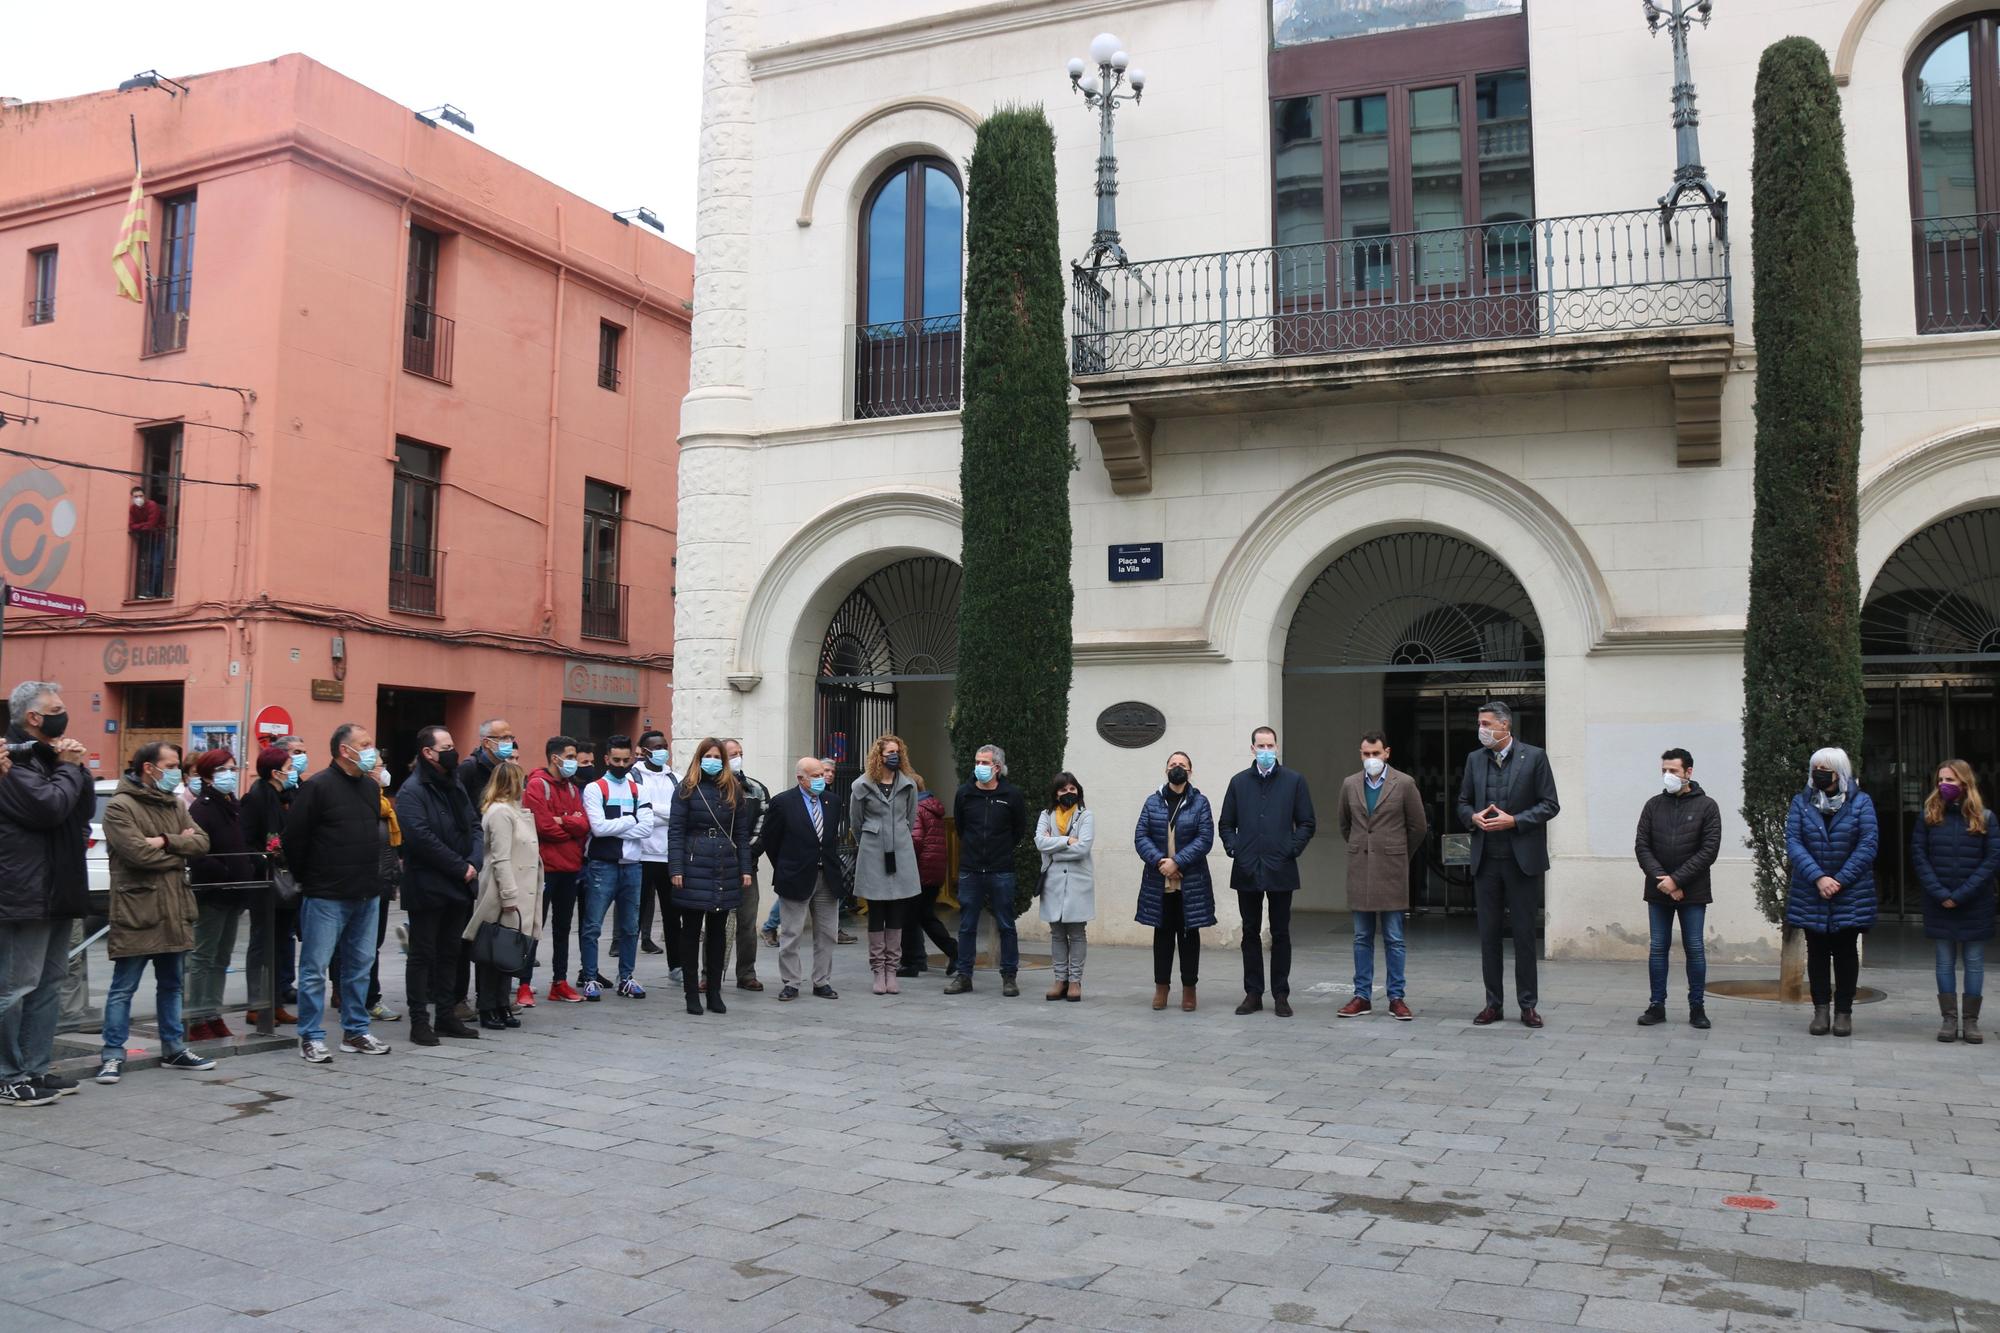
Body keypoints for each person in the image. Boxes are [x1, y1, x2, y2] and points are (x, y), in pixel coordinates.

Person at [96, 743, 214, 1083]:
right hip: (138, 910)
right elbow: (136, 855)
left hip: (175, 907)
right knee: (123, 987)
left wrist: (163, 840)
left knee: (172, 985)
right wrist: (180, 847)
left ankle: (173, 1047)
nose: (178, 770)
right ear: (150, 768)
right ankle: (112, 1054)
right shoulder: (121, 806)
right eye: (172, 764)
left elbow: (203, 843)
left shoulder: (175, 804)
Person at [0, 682, 92, 1106]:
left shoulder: (51, 759)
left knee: (49, 984)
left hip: (58, 888)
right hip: (24, 890)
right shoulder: (10, 763)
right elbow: (49, 808)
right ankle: (7, 1074)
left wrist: (77, 768)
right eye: (56, 708)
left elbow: (82, 808)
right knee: (15, 987)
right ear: (33, 718)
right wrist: (70, 769)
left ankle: (35, 1068)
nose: (63, 714)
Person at [284, 725, 394, 1062]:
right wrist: (311, 879)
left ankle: (356, 1030)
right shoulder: (317, 787)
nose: (372, 751)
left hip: (366, 892)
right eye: (365, 745)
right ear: (345, 751)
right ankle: (311, 1036)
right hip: (326, 895)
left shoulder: (367, 787)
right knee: (315, 969)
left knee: (360, 966)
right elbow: (294, 841)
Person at [1456, 701, 1560, 1029]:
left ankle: (1528, 1005)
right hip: (1486, 861)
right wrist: (1471, 817)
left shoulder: (1535, 757)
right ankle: (1493, 1004)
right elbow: (1462, 802)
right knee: (1488, 937)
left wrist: (1515, 821)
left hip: (1521, 862)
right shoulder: (1475, 759)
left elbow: (1550, 804)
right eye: (1479, 723)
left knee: (1524, 936)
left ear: (1505, 726)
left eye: (1486, 723)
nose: (1481, 729)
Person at [1219, 726, 1317, 1018]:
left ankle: (1281, 993)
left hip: (1281, 868)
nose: (1265, 751)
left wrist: (1291, 848)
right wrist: (1235, 847)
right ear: (1252, 749)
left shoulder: (1294, 781)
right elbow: (1226, 823)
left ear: (1277, 747)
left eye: (1270, 745)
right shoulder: (1238, 783)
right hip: (1247, 868)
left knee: (1281, 932)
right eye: (1260, 746)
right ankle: (1253, 992)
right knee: (1250, 932)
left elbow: (1307, 822)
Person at [396, 726, 484, 1044]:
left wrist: (475, 861)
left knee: (450, 952)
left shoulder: (455, 782)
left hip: (460, 884)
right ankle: (420, 1021)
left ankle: (446, 1015)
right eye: (445, 746)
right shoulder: (412, 790)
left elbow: (474, 824)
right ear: (428, 753)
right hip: (428, 885)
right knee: (422, 955)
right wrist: (461, 867)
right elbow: (421, 839)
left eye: (452, 744)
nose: (452, 750)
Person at [1785, 747, 1879, 1038]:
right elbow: (1794, 842)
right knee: (1817, 953)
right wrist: (1818, 878)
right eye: (1815, 767)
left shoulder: (1861, 803)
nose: (1819, 772)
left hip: (1849, 891)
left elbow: (1868, 844)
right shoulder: (1801, 803)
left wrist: (1838, 880)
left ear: (1840, 772)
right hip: (1811, 890)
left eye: (1825, 767)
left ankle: (1843, 1013)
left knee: (1845, 952)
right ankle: (1821, 1011)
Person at [1337, 732, 1429, 1021]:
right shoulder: (1350, 784)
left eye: (1375, 753)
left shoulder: (1404, 783)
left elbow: (1418, 826)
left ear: (1387, 752)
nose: (1371, 759)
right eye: (1366, 754)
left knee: (1394, 937)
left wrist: (1398, 854)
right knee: (1362, 936)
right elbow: (1345, 824)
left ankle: (1396, 997)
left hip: (1391, 870)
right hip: (1360, 868)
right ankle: (1361, 996)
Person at [1634, 747, 1723, 1031]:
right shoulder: (1653, 805)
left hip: (1693, 892)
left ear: (1688, 772)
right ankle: (1656, 1005)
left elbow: (1708, 851)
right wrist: (1664, 880)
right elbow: (1642, 846)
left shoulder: (1707, 806)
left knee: (1694, 948)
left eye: (1673, 771)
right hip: (1658, 890)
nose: (1668, 776)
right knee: (1658, 948)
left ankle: (1697, 1007)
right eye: (1664, 771)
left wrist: (1678, 881)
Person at [1913, 759, 1997, 1043]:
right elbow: (1919, 857)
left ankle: (1970, 1022)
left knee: (1973, 962)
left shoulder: (1985, 817)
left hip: (1974, 903)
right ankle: (1949, 1020)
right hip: (1939, 902)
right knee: (1944, 962)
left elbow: (1991, 861)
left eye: (1949, 780)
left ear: (1964, 782)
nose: (1943, 785)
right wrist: (1940, 893)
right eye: (1940, 780)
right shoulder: (1929, 816)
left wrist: (1961, 894)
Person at [669, 738, 753, 1014]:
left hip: (724, 865)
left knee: (718, 934)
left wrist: (745, 868)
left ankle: (715, 991)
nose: (713, 760)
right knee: (691, 932)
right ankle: (691, 993)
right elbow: (676, 832)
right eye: (709, 755)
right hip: (694, 864)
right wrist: (676, 868)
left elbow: (741, 834)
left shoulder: (733, 789)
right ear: (699, 758)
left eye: (718, 756)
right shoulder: (686, 788)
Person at [759, 758, 845, 1001]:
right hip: (795, 876)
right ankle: (791, 982)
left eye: (823, 774)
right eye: (816, 775)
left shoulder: (833, 801)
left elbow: (831, 839)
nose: (822, 778)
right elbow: (771, 839)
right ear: (801, 778)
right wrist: (786, 866)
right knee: (791, 933)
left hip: (827, 876)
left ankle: (822, 981)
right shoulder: (783, 802)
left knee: (827, 933)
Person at [466, 761, 542, 1031]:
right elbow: (500, 858)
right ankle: (488, 1006)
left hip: (520, 890)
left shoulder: (516, 811)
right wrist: (509, 894)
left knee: (508, 951)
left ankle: (501, 1003)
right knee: (494, 950)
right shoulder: (500, 812)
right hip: (502, 892)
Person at [185, 749, 255, 1042]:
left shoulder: (232, 804)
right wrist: (227, 872)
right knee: (203, 956)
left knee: (221, 957)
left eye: (232, 768)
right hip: (212, 893)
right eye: (223, 769)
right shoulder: (202, 808)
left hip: (234, 895)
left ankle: (213, 1012)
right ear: (208, 775)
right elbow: (198, 855)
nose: (230, 773)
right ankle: (195, 1016)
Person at [1137, 751, 1214, 1013]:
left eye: (1182, 765)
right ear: (1165, 770)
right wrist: (1162, 863)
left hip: (1190, 881)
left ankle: (1189, 989)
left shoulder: (1200, 802)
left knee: (1189, 936)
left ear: (1190, 772)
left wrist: (1178, 862)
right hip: (1160, 882)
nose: (1177, 768)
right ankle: (1162, 988)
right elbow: (1141, 837)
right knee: (1163, 936)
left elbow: (1205, 838)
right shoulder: (1152, 802)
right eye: (1173, 764)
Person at [847, 734, 923, 995]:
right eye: (889, 752)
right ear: (877, 756)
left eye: (898, 751)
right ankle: (878, 970)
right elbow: (855, 823)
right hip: (873, 852)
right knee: (876, 911)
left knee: (897, 911)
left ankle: (893, 969)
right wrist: (872, 837)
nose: (895, 755)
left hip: (900, 854)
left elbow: (910, 819)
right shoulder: (862, 786)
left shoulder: (909, 785)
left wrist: (898, 836)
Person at [949, 743, 1026, 996]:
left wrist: (1000, 850)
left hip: (1001, 869)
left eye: (985, 763)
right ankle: (964, 975)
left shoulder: (1011, 795)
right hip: (971, 869)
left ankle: (1009, 976)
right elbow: (961, 828)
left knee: (1006, 923)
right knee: (967, 925)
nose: (980, 767)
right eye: (977, 762)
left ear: (997, 767)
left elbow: (1018, 831)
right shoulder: (964, 794)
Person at [581, 736, 652, 1000]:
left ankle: (627, 978)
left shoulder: (638, 790)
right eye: (617, 760)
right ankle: (590, 977)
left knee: (631, 927)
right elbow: (598, 829)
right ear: (606, 759)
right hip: (603, 865)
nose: (622, 764)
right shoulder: (595, 789)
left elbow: (647, 828)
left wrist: (618, 824)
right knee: (592, 925)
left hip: (633, 865)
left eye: (626, 760)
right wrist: (630, 819)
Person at [526, 736, 589, 1003]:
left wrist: (562, 821)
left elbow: (584, 825)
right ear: (556, 758)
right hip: (545, 868)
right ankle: (523, 984)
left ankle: (559, 982)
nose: (574, 762)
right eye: (572, 756)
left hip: (570, 867)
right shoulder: (536, 786)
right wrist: (569, 825)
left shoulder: (573, 789)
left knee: (563, 928)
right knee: (534, 928)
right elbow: (541, 826)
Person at [241, 746, 296, 1027]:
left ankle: (275, 1003)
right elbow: (247, 840)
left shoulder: (287, 797)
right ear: (275, 772)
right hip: (263, 881)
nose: (294, 771)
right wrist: (266, 855)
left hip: (287, 882)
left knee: (280, 945)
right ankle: (256, 1004)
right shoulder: (256, 798)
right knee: (262, 944)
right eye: (290, 766)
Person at [1035, 772, 1096, 1002]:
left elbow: (1083, 848)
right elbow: (1040, 842)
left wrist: (1054, 849)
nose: (1068, 793)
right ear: (1055, 793)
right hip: (1052, 883)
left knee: (1077, 933)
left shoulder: (1086, 816)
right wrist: (1066, 840)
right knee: (1057, 933)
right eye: (1063, 790)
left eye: (1072, 789)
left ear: (1078, 791)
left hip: (1078, 882)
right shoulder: (1046, 815)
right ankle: (1059, 980)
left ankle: (1075, 981)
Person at [633, 730, 680, 977]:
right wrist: (661, 813)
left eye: (664, 745)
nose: (662, 750)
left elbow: (681, 812)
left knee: (673, 916)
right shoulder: (634, 777)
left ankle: (677, 965)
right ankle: (626, 968)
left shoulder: (676, 777)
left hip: (669, 856)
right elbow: (638, 813)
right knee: (635, 914)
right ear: (644, 751)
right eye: (656, 747)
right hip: (640, 855)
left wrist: (653, 810)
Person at [724, 739, 770, 992]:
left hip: (746, 867)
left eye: (740, 753)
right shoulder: (706, 788)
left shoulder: (755, 789)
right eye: (732, 754)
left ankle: (746, 974)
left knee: (747, 924)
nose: (738, 758)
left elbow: (763, 828)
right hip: (715, 867)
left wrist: (744, 856)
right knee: (716, 925)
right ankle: (709, 974)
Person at [900, 779, 957, 978]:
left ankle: (910, 963)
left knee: (909, 918)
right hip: (933, 871)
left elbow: (915, 840)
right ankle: (948, 952)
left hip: (919, 872)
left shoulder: (916, 809)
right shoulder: (932, 806)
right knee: (923, 916)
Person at [363, 755, 404, 1023]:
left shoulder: (385, 806)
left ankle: (367, 997)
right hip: (364, 885)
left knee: (373, 945)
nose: (384, 770)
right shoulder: (364, 803)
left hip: (382, 881)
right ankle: (365, 999)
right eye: (380, 765)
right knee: (361, 946)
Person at [128, 484, 166, 599]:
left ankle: (154, 592)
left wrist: (140, 526)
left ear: (145, 496)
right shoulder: (132, 509)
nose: (138, 499)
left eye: (140, 496)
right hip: (146, 539)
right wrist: (143, 526)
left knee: (157, 564)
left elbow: (151, 524)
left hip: (159, 538)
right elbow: (131, 525)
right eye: (135, 497)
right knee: (148, 565)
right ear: (132, 498)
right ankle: (147, 591)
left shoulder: (152, 505)